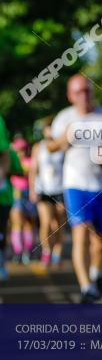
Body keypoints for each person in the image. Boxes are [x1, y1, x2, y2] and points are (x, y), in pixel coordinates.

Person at [46, 74, 102, 302]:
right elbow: (50, 146)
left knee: (101, 244)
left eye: (88, 90)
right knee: (80, 234)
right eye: (79, 91)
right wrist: (63, 140)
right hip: (76, 184)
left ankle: (96, 272)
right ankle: (86, 287)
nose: (84, 95)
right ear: (70, 95)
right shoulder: (65, 118)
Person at [31, 117, 66, 268]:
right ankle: (46, 252)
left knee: (58, 224)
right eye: (48, 127)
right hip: (43, 189)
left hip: (61, 189)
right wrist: (32, 189)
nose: (50, 130)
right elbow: (33, 170)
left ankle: (57, 253)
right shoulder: (39, 147)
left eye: (53, 127)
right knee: (46, 222)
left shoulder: (63, 146)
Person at [0, 115, 24, 281]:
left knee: (1, 231)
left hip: (4, 197)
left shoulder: (8, 150)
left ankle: (1, 264)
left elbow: (17, 168)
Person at [9, 136, 36, 264]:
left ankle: (27, 251)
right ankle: (18, 251)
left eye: (23, 149)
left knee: (29, 223)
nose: (21, 152)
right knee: (17, 223)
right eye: (19, 150)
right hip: (16, 194)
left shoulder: (30, 161)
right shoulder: (11, 162)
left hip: (29, 194)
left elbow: (33, 174)